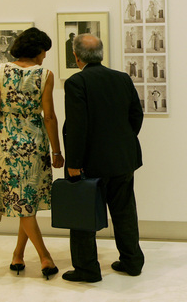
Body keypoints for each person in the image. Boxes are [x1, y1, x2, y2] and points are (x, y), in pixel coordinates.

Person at [62, 33, 144, 282]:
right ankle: (132, 262)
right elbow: (136, 116)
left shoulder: (77, 82)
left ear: (76, 56)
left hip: (90, 163)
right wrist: (122, 142)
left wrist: (73, 163)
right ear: (101, 54)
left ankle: (87, 269)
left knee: (84, 214)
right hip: (122, 159)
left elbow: (77, 126)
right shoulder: (122, 78)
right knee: (124, 211)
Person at [0, 27, 63, 279]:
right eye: (44, 51)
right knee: (26, 200)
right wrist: (57, 151)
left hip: (7, 144)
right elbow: (49, 116)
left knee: (23, 202)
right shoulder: (45, 75)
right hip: (35, 144)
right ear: (36, 50)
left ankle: (18, 254)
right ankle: (44, 257)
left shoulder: (0, 71)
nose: (45, 56)